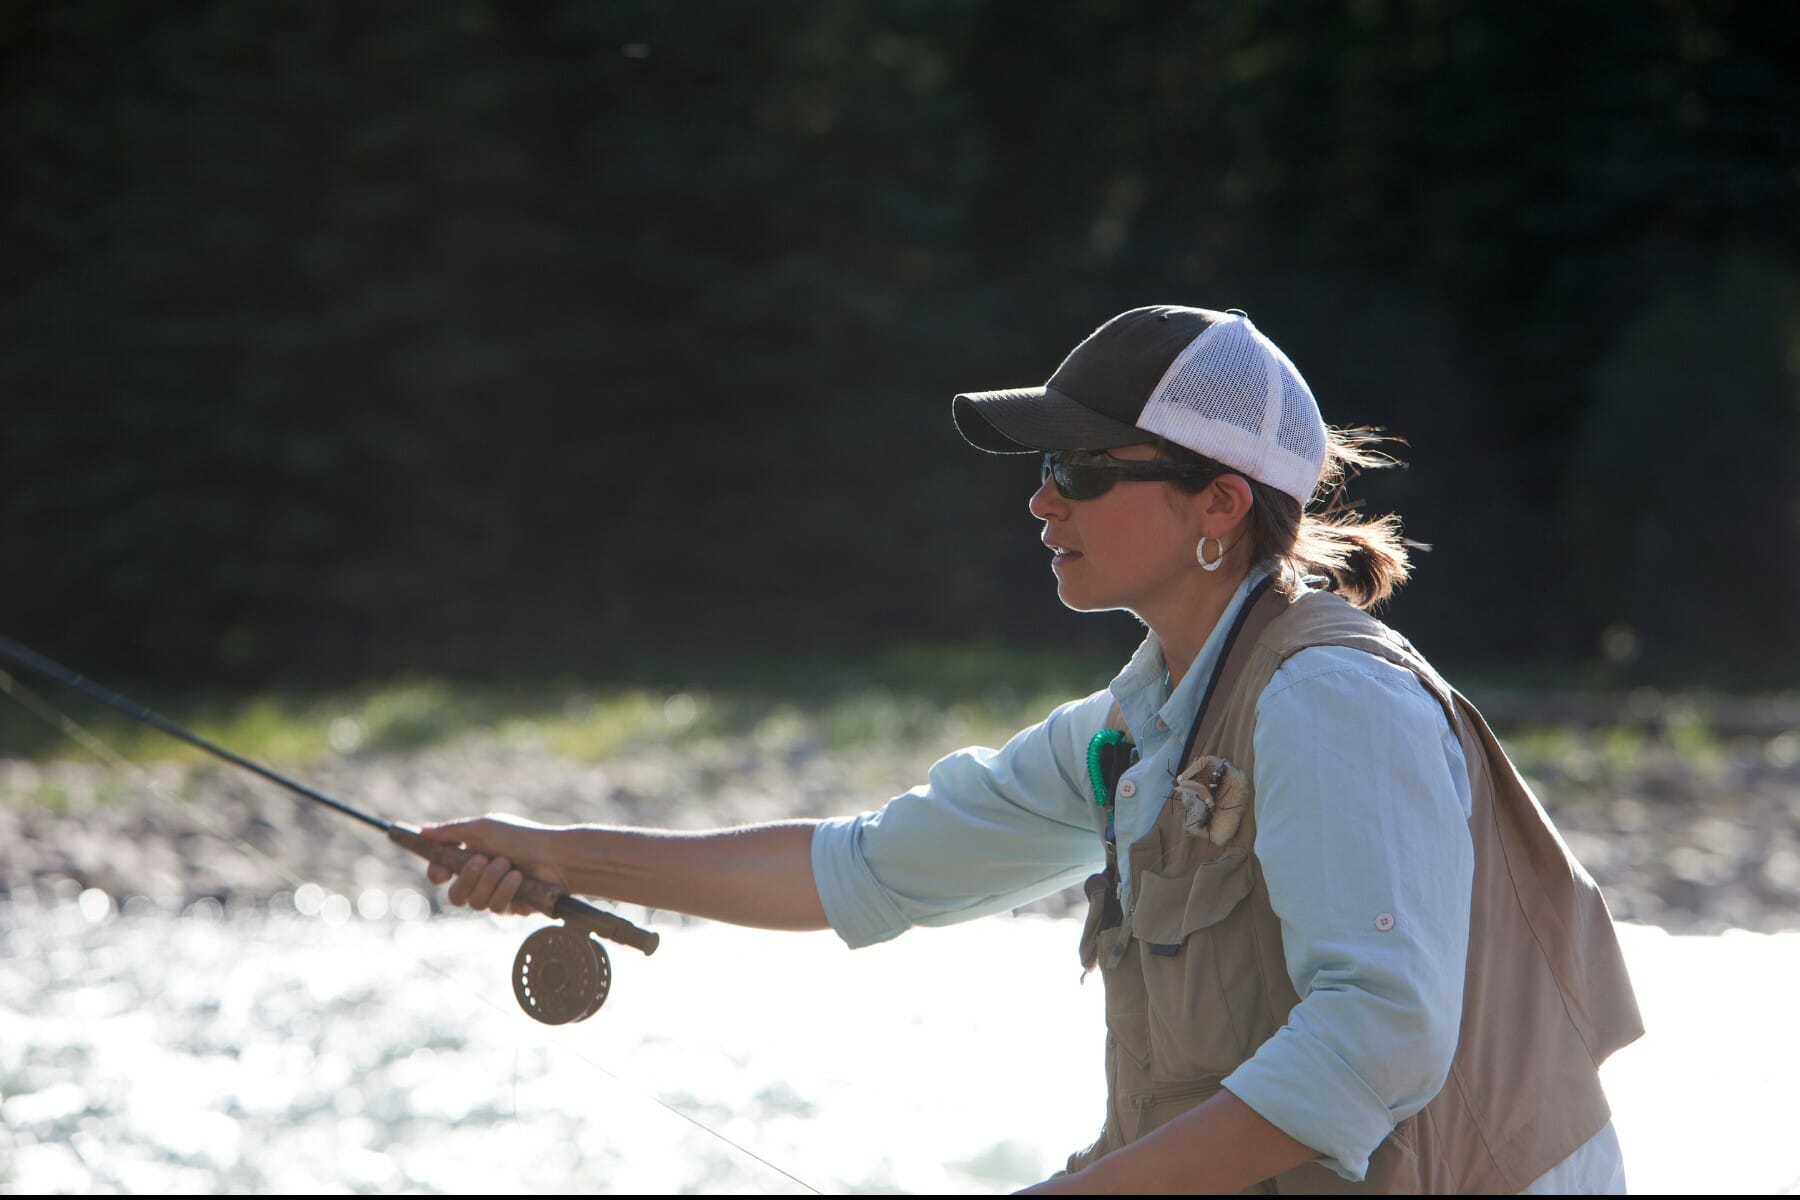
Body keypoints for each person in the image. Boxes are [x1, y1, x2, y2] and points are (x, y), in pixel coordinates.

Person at [422, 305, 1644, 1194]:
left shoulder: (1333, 701)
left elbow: (1380, 1036)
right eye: (1041, 470)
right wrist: (553, 852)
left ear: (1220, 504)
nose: (1040, 502)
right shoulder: (1143, 721)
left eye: (1080, 470)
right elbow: (865, 869)